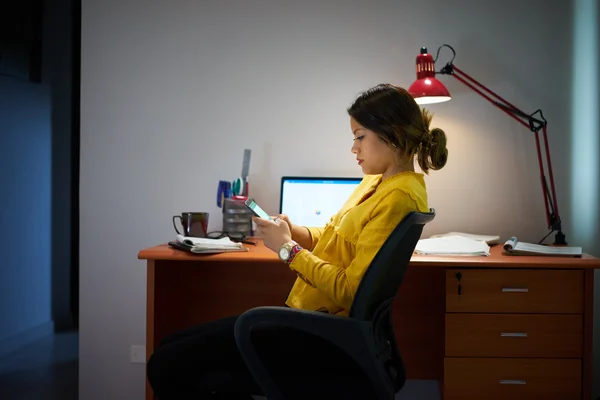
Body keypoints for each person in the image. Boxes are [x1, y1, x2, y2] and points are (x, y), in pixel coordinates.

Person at [146, 83, 448, 400]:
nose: (353, 148)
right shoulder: (379, 183)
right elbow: (337, 237)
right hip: (314, 325)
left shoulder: (398, 197)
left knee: (167, 364)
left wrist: (288, 250)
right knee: (169, 349)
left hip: (321, 336)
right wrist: (296, 232)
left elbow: (350, 290)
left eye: (360, 136)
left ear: (392, 134)